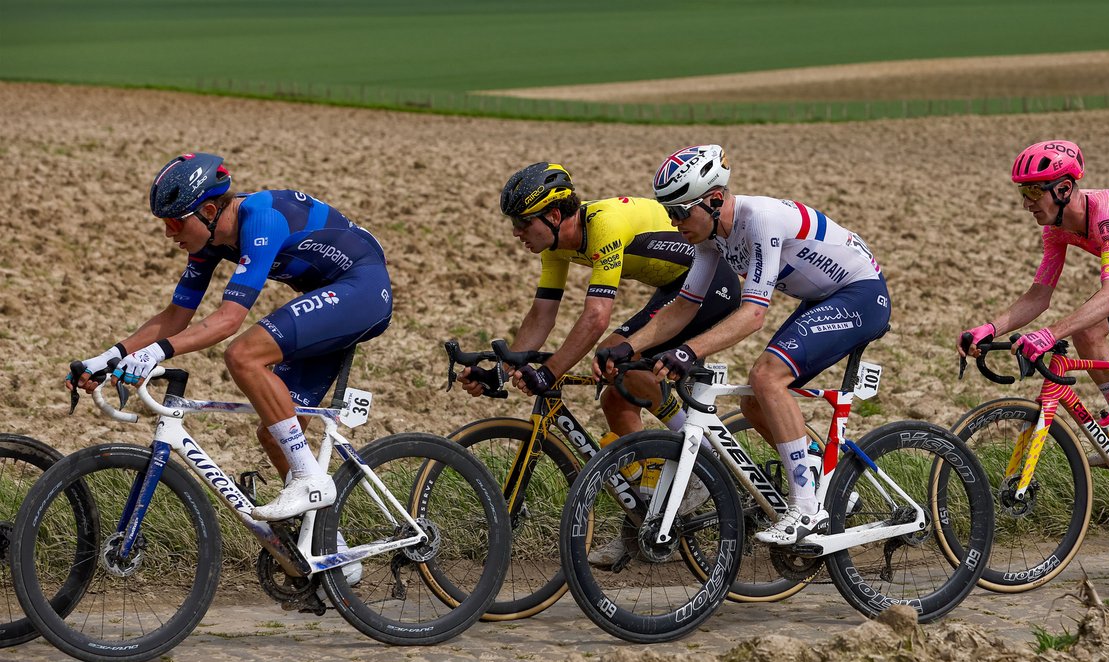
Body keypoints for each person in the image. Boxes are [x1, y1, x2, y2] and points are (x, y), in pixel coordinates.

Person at [69, 152, 392, 522]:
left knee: (243, 354)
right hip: (328, 299)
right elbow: (176, 316)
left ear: (208, 210)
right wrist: (109, 357)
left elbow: (228, 321)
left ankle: (308, 479)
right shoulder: (210, 242)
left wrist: (155, 354)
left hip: (363, 290)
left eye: (175, 222)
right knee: (276, 432)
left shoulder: (262, 219)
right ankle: (326, 547)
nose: (168, 233)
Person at [603, 144, 891, 546]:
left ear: (715, 199)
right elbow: (684, 306)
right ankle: (825, 481)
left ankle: (806, 510)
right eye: (669, 212)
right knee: (755, 401)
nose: (674, 221)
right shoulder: (710, 238)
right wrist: (627, 348)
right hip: (824, 298)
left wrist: (689, 351)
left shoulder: (759, 220)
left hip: (860, 295)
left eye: (682, 211)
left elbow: (754, 314)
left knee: (766, 377)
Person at [459, 162, 742, 565]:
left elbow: (596, 317)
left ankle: (700, 466)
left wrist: (550, 370)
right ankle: (645, 524)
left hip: (711, 283)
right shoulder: (556, 245)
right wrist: (500, 374)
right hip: (673, 288)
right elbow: (542, 316)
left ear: (554, 215)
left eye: (522, 222)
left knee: (617, 355)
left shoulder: (603, 224)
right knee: (615, 400)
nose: (516, 232)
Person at [957, 139, 1109, 552]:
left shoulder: (1108, 216)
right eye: (1023, 192)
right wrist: (989, 327)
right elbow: (1039, 295)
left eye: (1034, 192)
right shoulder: (1057, 229)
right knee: (1088, 333)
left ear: (1064, 189)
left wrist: (1049, 335)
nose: (1026, 203)